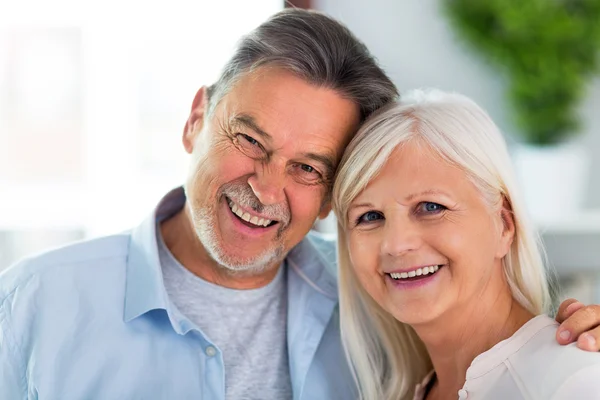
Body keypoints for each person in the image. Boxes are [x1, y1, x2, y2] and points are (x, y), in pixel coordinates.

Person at [0, 9, 598, 400]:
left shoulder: (382, 302)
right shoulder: (32, 305)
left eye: (308, 168)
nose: (264, 187)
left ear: (329, 200)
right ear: (195, 120)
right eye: (250, 141)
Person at [333, 89, 600, 400]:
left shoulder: (573, 381)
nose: (396, 244)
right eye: (369, 216)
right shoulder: (406, 391)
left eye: (431, 206)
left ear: (504, 224)